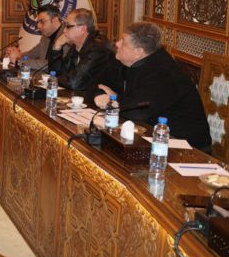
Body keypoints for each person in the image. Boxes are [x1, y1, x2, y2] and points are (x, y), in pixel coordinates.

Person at [93, 22, 211, 151]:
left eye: (123, 42)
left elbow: (138, 111)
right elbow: (98, 85)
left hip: (184, 148)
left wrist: (114, 100)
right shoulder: (130, 62)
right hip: (151, 137)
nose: (117, 43)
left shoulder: (163, 72)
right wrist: (109, 98)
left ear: (138, 52)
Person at [49, 8, 113, 91]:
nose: (64, 31)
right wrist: (57, 46)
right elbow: (57, 73)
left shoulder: (98, 48)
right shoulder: (76, 45)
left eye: (68, 26)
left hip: (103, 97)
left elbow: (74, 82)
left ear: (82, 29)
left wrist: (54, 80)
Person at [8, 4, 63, 71]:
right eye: (38, 22)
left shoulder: (66, 36)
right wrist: (17, 55)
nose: (38, 26)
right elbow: (33, 53)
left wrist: (19, 61)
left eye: (42, 22)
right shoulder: (46, 36)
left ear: (55, 20)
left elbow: (51, 64)